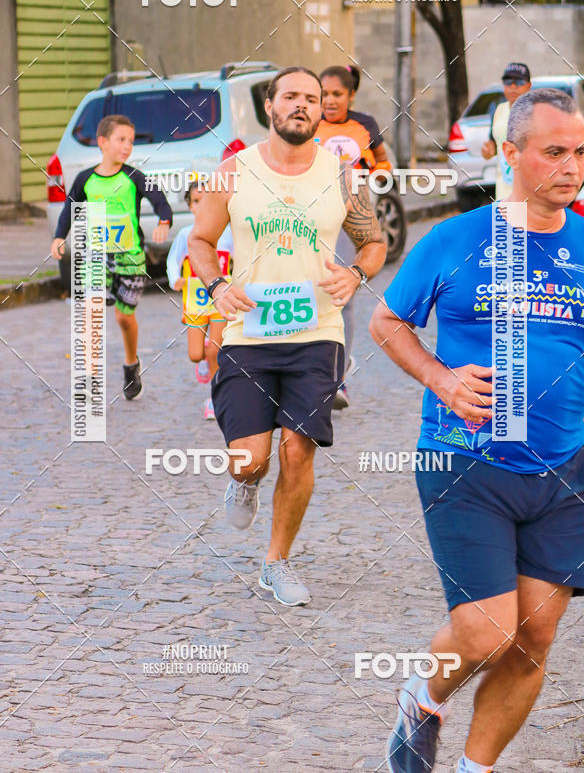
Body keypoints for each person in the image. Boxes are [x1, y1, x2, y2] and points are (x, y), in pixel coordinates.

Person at [370, 88, 584, 773]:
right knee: (488, 628)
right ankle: (422, 697)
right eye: (554, 151)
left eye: (582, 151)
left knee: (533, 640)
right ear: (511, 153)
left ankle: (475, 768)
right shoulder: (456, 238)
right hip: (463, 461)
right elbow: (387, 322)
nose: (572, 166)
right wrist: (441, 378)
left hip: (563, 471)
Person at [188, 66, 386, 606]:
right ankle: (245, 480)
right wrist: (216, 284)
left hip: (317, 331)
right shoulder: (232, 172)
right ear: (270, 106)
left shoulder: (343, 176)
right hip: (247, 332)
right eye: (291, 96)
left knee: (299, 449)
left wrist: (357, 272)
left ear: (324, 109)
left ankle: (277, 562)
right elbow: (201, 241)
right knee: (250, 456)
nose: (302, 104)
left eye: (313, 98)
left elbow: (373, 242)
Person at [51, 114, 172, 400]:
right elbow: (69, 209)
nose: (127, 146)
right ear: (103, 142)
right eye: (121, 140)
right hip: (96, 256)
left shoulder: (134, 177)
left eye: (130, 141)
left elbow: (158, 199)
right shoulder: (85, 179)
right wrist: (59, 236)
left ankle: (131, 364)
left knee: (123, 317)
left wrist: (164, 220)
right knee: (91, 312)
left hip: (130, 258)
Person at [316, 64, 392, 408]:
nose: (329, 101)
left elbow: (383, 163)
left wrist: (375, 179)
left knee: (341, 295)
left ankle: (338, 379)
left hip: (350, 220)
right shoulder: (308, 125)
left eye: (337, 94)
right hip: (311, 220)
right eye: (324, 94)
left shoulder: (364, 125)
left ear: (350, 96)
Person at [167, 178, 233, 420]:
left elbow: (242, 259)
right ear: (189, 205)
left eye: (206, 200)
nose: (201, 205)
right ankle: (203, 357)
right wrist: (176, 279)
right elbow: (173, 260)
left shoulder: (227, 233)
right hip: (195, 301)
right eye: (196, 201)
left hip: (220, 301)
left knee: (216, 351)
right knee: (196, 354)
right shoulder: (186, 235)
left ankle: (214, 399)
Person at [481, 62, 532, 201]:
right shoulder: (498, 109)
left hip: (530, 191)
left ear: (529, 86)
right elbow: (492, 146)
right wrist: (487, 151)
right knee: (503, 223)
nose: (513, 86)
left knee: (524, 223)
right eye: (508, 81)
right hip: (503, 190)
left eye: (519, 81)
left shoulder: (536, 112)